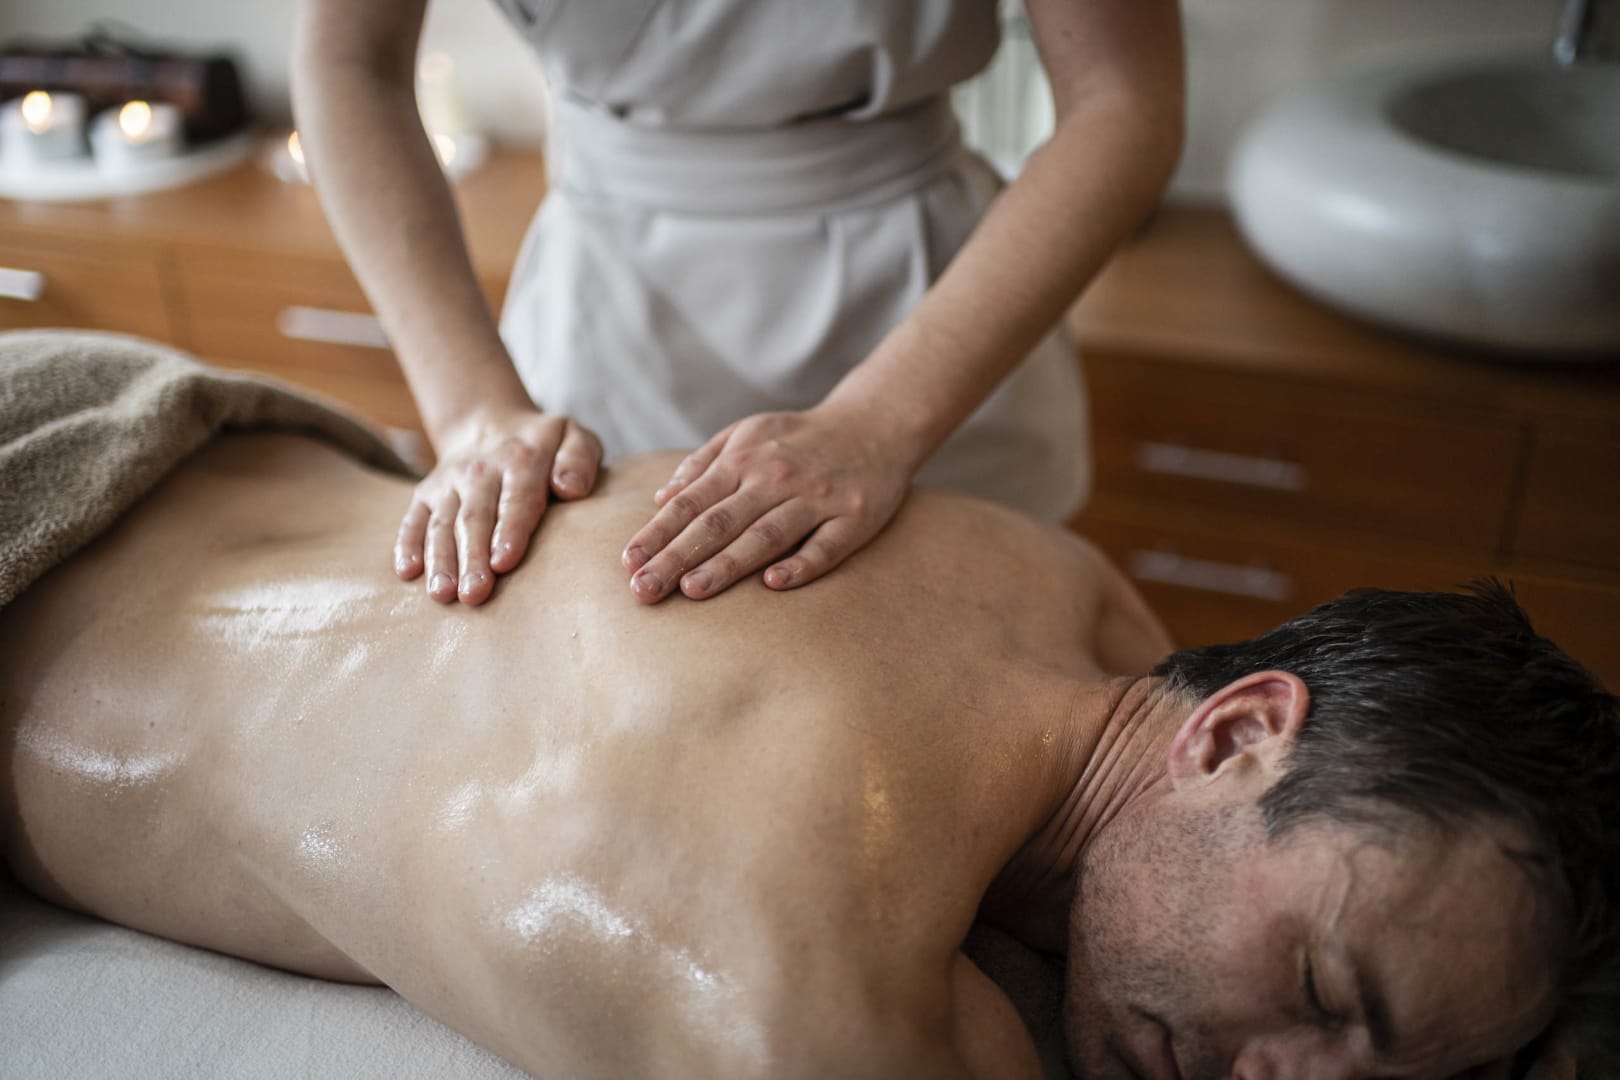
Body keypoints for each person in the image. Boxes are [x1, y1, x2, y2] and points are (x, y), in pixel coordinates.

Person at [3, 426, 1613, 1078]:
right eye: (1323, 991)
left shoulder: (1058, 585)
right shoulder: (809, 995)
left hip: (191, 443)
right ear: (1241, 731)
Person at [289, 0, 1186, 609]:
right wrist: (472, 411)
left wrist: (879, 424)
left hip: (934, 318)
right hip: (607, 317)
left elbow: (1123, 98)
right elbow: (348, 62)